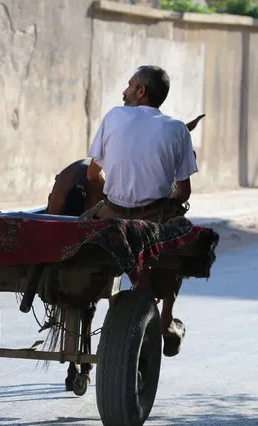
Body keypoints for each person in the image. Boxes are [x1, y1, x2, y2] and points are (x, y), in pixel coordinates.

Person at [84, 65, 198, 357]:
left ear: (141, 91)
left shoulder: (114, 116)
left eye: (129, 84)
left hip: (112, 216)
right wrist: (162, 194)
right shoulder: (176, 129)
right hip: (152, 221)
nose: (125, 90)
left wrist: (111, 198)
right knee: (183, 241)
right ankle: (167, 318)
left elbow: (92, 175)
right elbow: (183, 192)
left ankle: (117, 309)